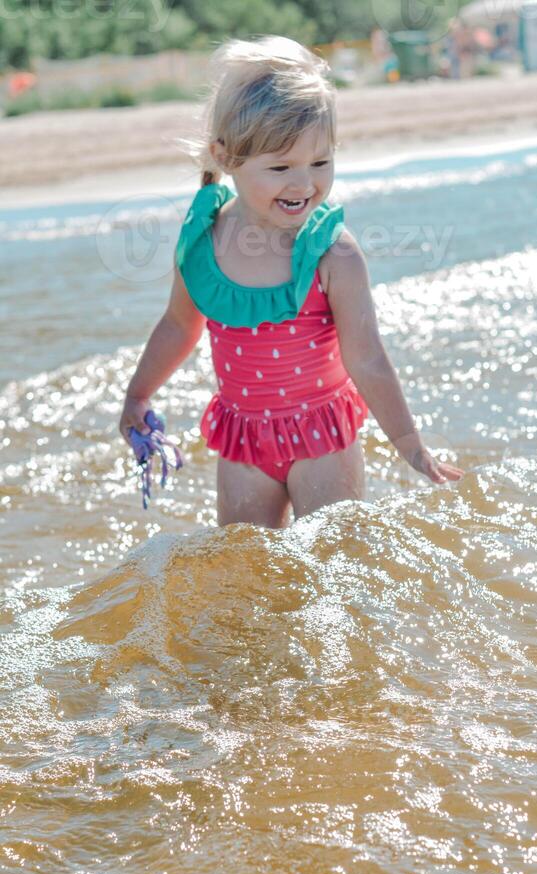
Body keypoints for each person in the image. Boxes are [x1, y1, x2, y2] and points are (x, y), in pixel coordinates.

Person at [118, 35, 464, 528]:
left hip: (322, 438)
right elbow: (178, 325)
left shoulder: (332, 252)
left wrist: (409, 445)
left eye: (320, 162)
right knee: (247, 572)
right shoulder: (202, 242)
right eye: (280, 167)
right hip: (244, 442)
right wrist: (137, 395)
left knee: (332, 565)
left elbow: (366, 358)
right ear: (225, 157)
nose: (304, 184)